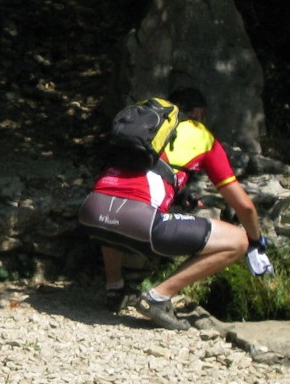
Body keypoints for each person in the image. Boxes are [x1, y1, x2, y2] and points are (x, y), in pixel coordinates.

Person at [78, 86, 274, 330]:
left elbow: (136, 178)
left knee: (120, 203)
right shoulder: (201, 136)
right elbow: (244, 206)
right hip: (139, 222)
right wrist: (256, 241)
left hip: (91, 213)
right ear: (200, 113)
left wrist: (180, 197)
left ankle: (114, 289)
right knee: (238, 241)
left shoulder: (142, 129)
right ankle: (157, 298)